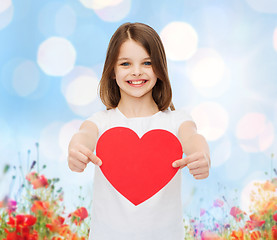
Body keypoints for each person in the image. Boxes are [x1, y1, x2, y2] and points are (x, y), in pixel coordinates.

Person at [67, 22, 210, 240]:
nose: (136, 71)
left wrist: (202, 156)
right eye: (125, 63)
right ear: (112, 71)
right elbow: (83, 136)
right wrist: (76, 150)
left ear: (160, 69)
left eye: (147, 63)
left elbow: (193, 138)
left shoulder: (176, 121)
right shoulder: (101, 122)